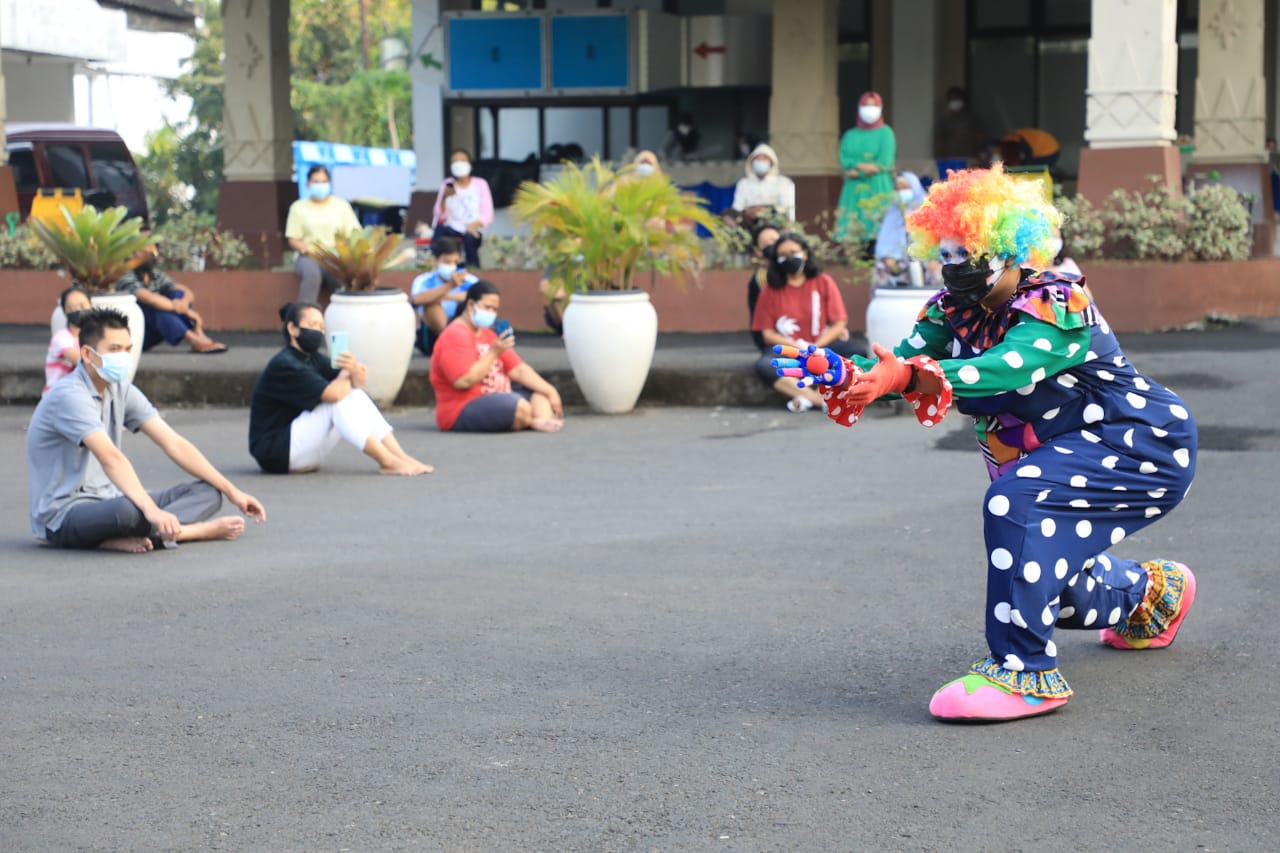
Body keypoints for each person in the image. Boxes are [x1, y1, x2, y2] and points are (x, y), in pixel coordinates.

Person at [772, 165, 1198, 722]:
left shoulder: (1057, 303)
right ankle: (1152, 596)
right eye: (945, 253)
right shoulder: (951, 313)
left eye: (967, 251)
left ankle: (1025, 672)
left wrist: (906, 377)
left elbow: (1003, 369)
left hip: (1138, 444)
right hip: (1056, 454)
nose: (954, 267)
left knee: (1015, 505)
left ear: (1010, 249)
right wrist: (837, 370)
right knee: (1050, 582)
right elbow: (898, 366)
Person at [26, 307, 266, 553]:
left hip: (110, 498)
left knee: (209, 492)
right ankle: (191, 532)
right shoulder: (69, 396)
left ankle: (120, 537)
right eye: (114, 349)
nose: (124, 356)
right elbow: (110, 457)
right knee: (131, 512)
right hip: (64, 515)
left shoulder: (120, 389)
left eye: (128, 349)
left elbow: (173, 442)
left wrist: (233, 492)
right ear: (87, 354)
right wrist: (152, 512)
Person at [249, 303, 433, 476]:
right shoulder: (284, 364)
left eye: (322, 327)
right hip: (275, 452)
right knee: (337, 403)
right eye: (313, 325)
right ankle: (387, 461)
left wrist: (353, 368)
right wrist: (346, 373)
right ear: (292, 329)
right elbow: (334, 394)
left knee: (355, 395)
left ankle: (400, 456)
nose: (319, 331)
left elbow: (358, 385)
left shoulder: (313, 358)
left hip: (299, 449)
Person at [429, 280, 564, 433]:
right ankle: (532, 420)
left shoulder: (488, 334)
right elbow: (463, 381)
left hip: (499, 396)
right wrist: (493, 353)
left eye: (494, 309)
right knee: (518, 406)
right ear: (470, 305)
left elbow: (518, 369)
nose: (491, 313)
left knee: (541, 395)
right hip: (464, 406)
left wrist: (550, 390)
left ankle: (535, 420)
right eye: (487, 307)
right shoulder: (454, 335)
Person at [751, 231, 859, 413]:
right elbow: (768, 334)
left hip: (821, 348)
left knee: (855, 352)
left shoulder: (823, 282)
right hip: (789, 351)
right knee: (765, 364)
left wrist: (815, 348)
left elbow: (839, 322)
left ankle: (805, 398)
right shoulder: (770, 291)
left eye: (793, 253)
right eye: (782, 256)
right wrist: (797, 348)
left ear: (805, 253)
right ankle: (817, 399)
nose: (789, 259)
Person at [114, 242, 228, 354]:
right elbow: (150, 299)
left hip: (153, 329)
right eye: (143, 252)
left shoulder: (154, 274)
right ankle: (193, 339)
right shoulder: (125, 276)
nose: (148, 256)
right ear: (132, 254)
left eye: (151, 253)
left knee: (177, 294)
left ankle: (198, 333)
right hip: (133, 336)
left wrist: (183, 302)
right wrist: (187, 311)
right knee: (153, 306)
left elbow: (185, 291)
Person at [286, 165, 363, 304]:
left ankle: (349, 313)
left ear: (330, 184)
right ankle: (305, 316)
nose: (320, 185)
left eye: (324, 181)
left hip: (336, 256)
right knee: (312, 275)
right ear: (308, 184)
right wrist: (311, 252)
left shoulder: (341, 206)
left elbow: (354, 235)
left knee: (342, 278)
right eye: (316, 182)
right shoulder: (298, 207)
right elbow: (293, 239)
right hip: (308, 256)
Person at [837, 91, 897, 254]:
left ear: (880, 108)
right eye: (866, 105)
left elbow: (884, 162)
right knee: (852, 236)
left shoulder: (886, 133)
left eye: (874, 105)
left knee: (879, 230)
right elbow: (844, 158)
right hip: (853, 190)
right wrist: (858, 166)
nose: (869, 109)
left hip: (877, 186)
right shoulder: (850, 135)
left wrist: (857, 170)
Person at [409, 236, 477, 355]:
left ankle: (456, 344)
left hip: (464, 328)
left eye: (455, 262)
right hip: (433, 333)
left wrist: (446, 297)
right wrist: (450, 286)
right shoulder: (423, 280)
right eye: (447, 262)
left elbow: (479, 297)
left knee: (472, 304)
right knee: (431, 304)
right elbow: (417, 299)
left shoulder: (470, 280)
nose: (452, 266)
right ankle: (451, 342)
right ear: (436, 261)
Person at [872, 171, 941, 288]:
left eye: (904, 187)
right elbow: (885, 241)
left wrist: (934, 258)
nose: (901, 191)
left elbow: (937, 238)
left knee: (938, 270)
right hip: (899, 260)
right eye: (897, 188)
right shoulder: (892, 212)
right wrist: (886, 257)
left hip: (925, 258)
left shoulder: (928, 209)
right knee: (881, 268)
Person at [431, 149, 494, 269]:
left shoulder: (480, 184)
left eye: (462, 161)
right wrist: (445, 198)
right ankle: (435, 264)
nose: (459, 164)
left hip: (473, 228)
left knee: (470, 238)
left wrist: (475, 224)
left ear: (469, 164)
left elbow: (488, 213)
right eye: (455, 161)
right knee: (439, 232)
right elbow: (438, 213)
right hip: (452, 227)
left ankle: (473, 268)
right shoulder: (447, 184)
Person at [730, 143, 796, 228]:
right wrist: (750, 211)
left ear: (771, 162)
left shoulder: (784, 183)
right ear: (751, 163)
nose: (760, 162)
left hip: (774, 221)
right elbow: (737, 207)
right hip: (749, 222)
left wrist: (764, 211)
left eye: (764, 159)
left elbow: (786, 208)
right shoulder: (743, 183)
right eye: (757, 159)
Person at [45, 286, 92, 394]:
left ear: (91, 305)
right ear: (65, 311)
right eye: (71, 308)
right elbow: (83, 361)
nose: (78, 311)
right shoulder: (61, 338)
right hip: (59, 397)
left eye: (82, 305)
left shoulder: (95, 336)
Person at [745, 224, 781, 351]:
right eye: (765, 243)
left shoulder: (797, 272)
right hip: (773, 340)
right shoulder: (760, 280)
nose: (772, 245)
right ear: (758, 251)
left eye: (775, 241)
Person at [933, 86, 988, 164]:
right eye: (952, 99)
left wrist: (981, 154)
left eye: (957, 98)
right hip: (950, 160)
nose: (955, 101)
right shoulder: (944, 120)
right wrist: (941, 159)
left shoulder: (972, 118)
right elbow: (940, 142)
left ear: (963, 100)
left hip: (970, 159)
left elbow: (980, 137)